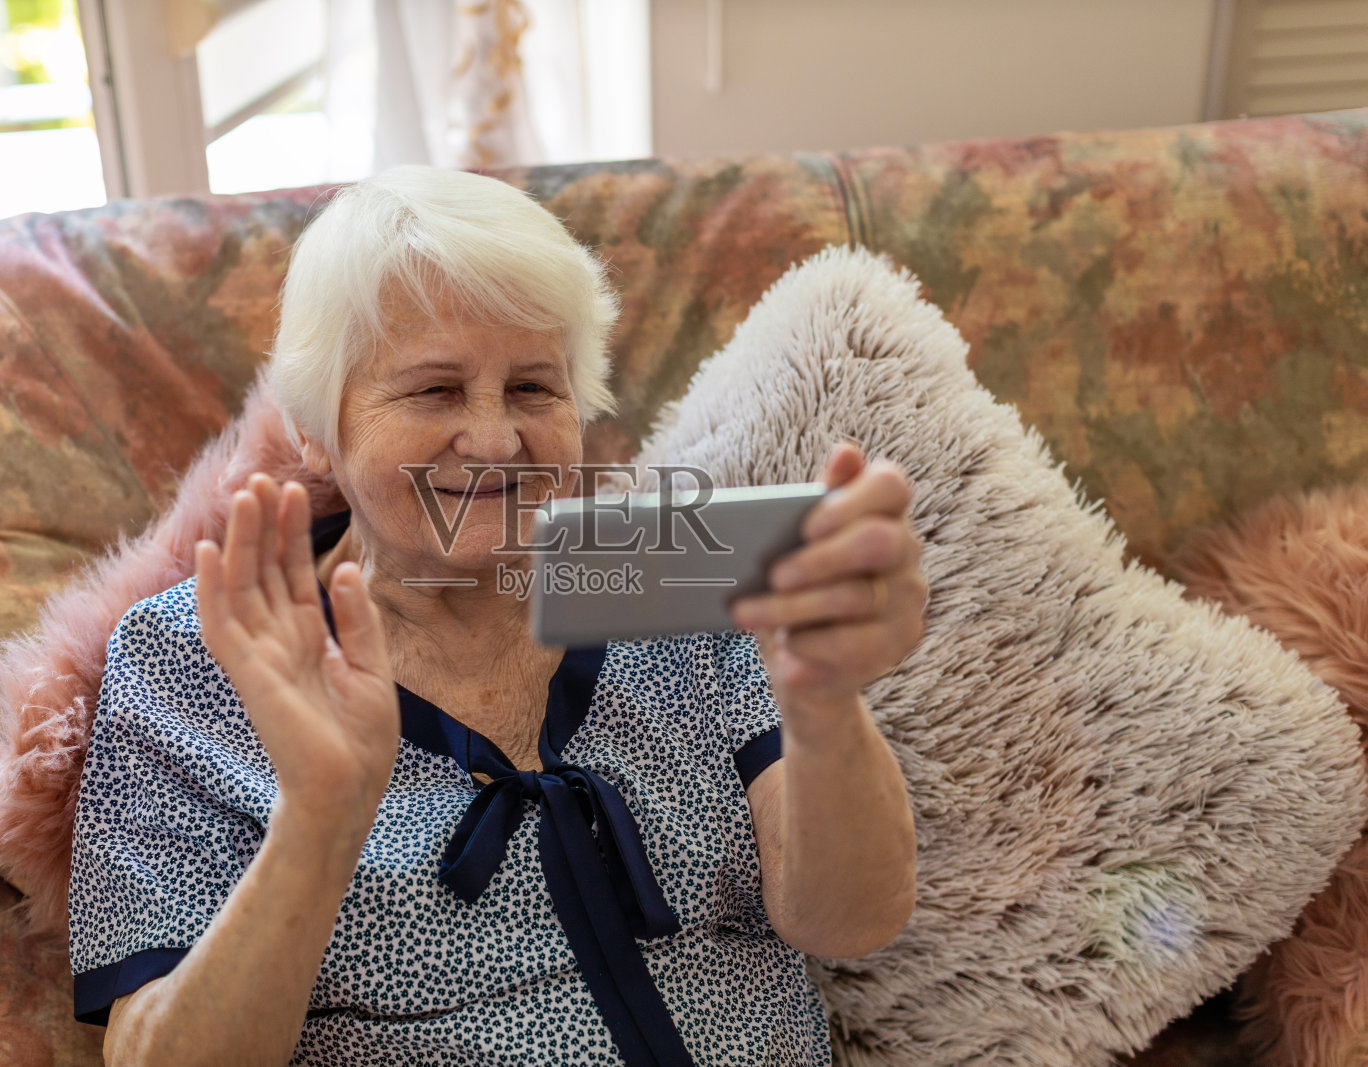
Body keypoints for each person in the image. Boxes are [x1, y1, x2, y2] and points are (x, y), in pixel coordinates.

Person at [67, 165, 924, 1066]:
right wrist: (319, 821)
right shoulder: (192, 656)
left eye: (532, 390)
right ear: (317, 425)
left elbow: (850, 920)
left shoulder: (669, 564)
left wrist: (825, 705)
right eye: (434, 390)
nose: (493, 438)